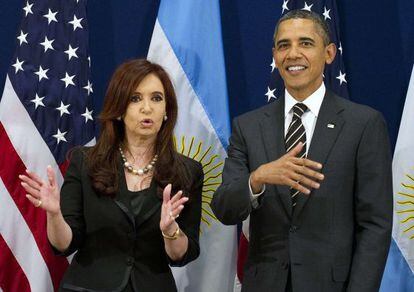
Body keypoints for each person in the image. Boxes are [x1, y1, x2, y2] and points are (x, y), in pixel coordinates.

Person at [212, 10, 392, 292]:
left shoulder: (364, 124)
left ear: (329, 53)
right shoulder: (247, 126)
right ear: (274, 55)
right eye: (284, 45)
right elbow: (224, 208)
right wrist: (257, 178)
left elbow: (375, 226)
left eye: (305, 43)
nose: (293, 53)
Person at [19, 59, 203, 292]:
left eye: (156, 98)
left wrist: (170, 231)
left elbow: (183, 255)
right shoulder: (85, 162)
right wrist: (55, 215)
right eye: (135, 98)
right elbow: (65, 245)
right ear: (118, 110)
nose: (147, 108)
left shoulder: (188, 172)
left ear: (167, 110)